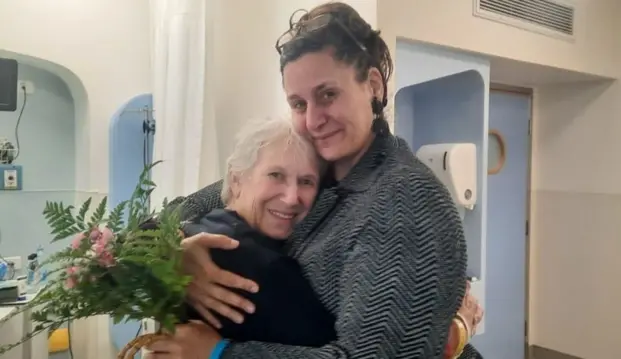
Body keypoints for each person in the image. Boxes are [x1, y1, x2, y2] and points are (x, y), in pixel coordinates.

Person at [146, 2, 484, 358]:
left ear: (372, 85)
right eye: (298, 103)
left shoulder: (404, 200)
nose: (312, 121)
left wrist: (220, 354)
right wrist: (173, 252)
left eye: (328, 95)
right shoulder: (309, 168)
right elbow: (161, 221)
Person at [172, 116, 336, 346]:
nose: (291, 198)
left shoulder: (197, 228)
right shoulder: (263, 267)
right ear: (236, 179)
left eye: (306, 181)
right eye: (275, 175)